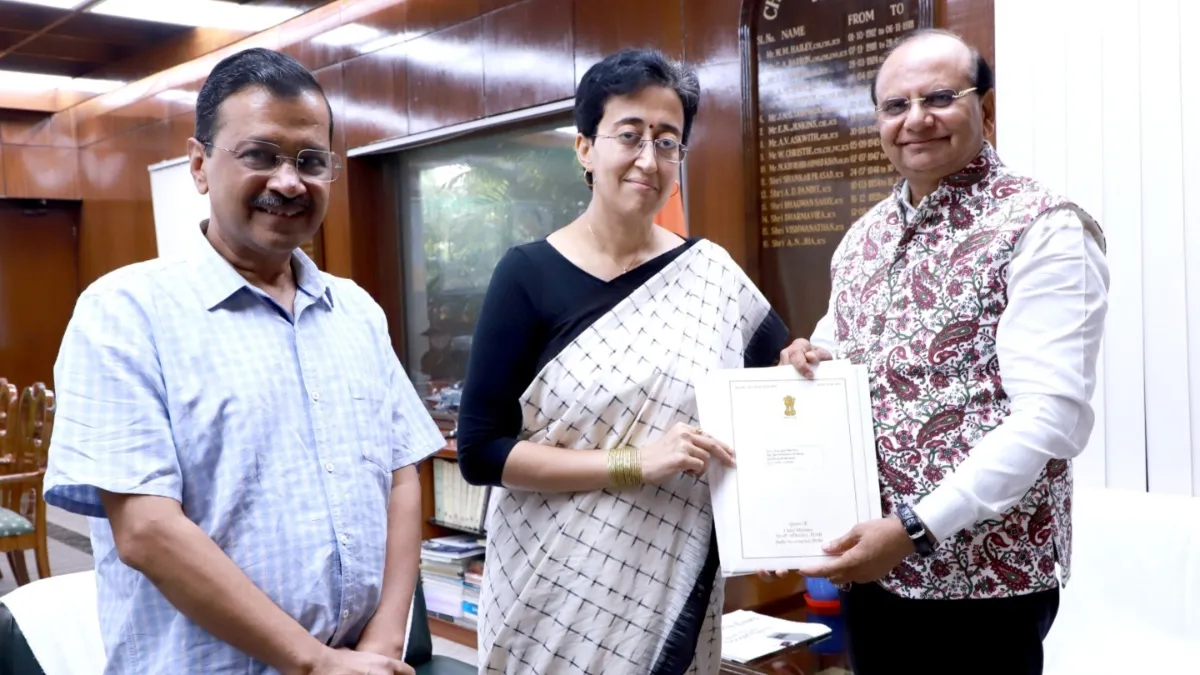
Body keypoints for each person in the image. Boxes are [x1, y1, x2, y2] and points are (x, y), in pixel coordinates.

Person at [43, 48, 444, 675]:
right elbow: (145, 530)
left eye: (310, 161)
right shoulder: (124, 312)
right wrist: (313, 662)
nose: (289, 182)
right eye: (260, 155)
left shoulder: (357, 312)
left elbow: (399, 475)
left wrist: (384, 644)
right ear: (200, 165)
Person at [774, 30, 1110, 674]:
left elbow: (1049, 418)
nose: (915, 119)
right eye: (895, 106)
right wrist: (807, 357)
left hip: (984, 581)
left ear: (986, 109)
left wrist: (914, 530)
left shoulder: (1044, 227)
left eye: (939, 97)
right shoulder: (864, 237)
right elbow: (838, 341)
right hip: (872, 567)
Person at [456, 48, 791, 674]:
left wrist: (800, 365)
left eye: (668, 142)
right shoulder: (526, 275)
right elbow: (481, 453)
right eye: (629, 136)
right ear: (584, 147)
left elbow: (775, 397)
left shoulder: (711, 274)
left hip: (673, 579)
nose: (649, 159)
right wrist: (634, 462)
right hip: (551, 591)